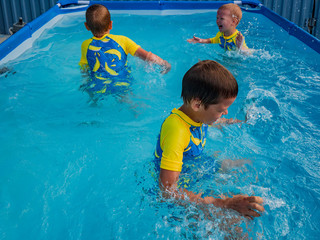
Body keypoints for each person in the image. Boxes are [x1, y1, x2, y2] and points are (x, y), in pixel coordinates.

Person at [154, 60, 264, 219]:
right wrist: (224, 204)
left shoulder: (197, 115)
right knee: (231, 224)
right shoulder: (177, 131)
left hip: (197, 166)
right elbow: (167, 191)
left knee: (248, 165)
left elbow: (218, 121)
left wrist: (241, 123)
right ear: (197, 104)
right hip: (182, 186)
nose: (226, 113)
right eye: (222, 109)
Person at [79, 4, 171, 96]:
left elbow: (85, 68)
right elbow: (148, 57)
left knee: (94, 101)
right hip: (121, 82)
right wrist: (164, 63)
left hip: (98, 84)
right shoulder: (123, 40)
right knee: (129, 103)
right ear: (111, 24)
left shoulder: (85, 45)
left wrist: (86, 82)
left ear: (86, 26)